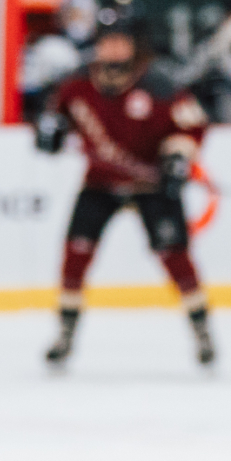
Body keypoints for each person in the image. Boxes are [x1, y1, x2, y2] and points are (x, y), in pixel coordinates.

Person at [35, 21, 214, 367]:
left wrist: (178, 157)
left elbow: (193, 125)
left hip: (152, 185)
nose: (114, 49)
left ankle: (201, 330)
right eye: (107, 42)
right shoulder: (77, 85)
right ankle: (65, 334)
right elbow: (52, 120)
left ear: (135, 46)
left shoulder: (160, 84)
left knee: (175, 255)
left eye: (121, 42)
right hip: (100, 183)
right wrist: (49, 133)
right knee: (75, 254)